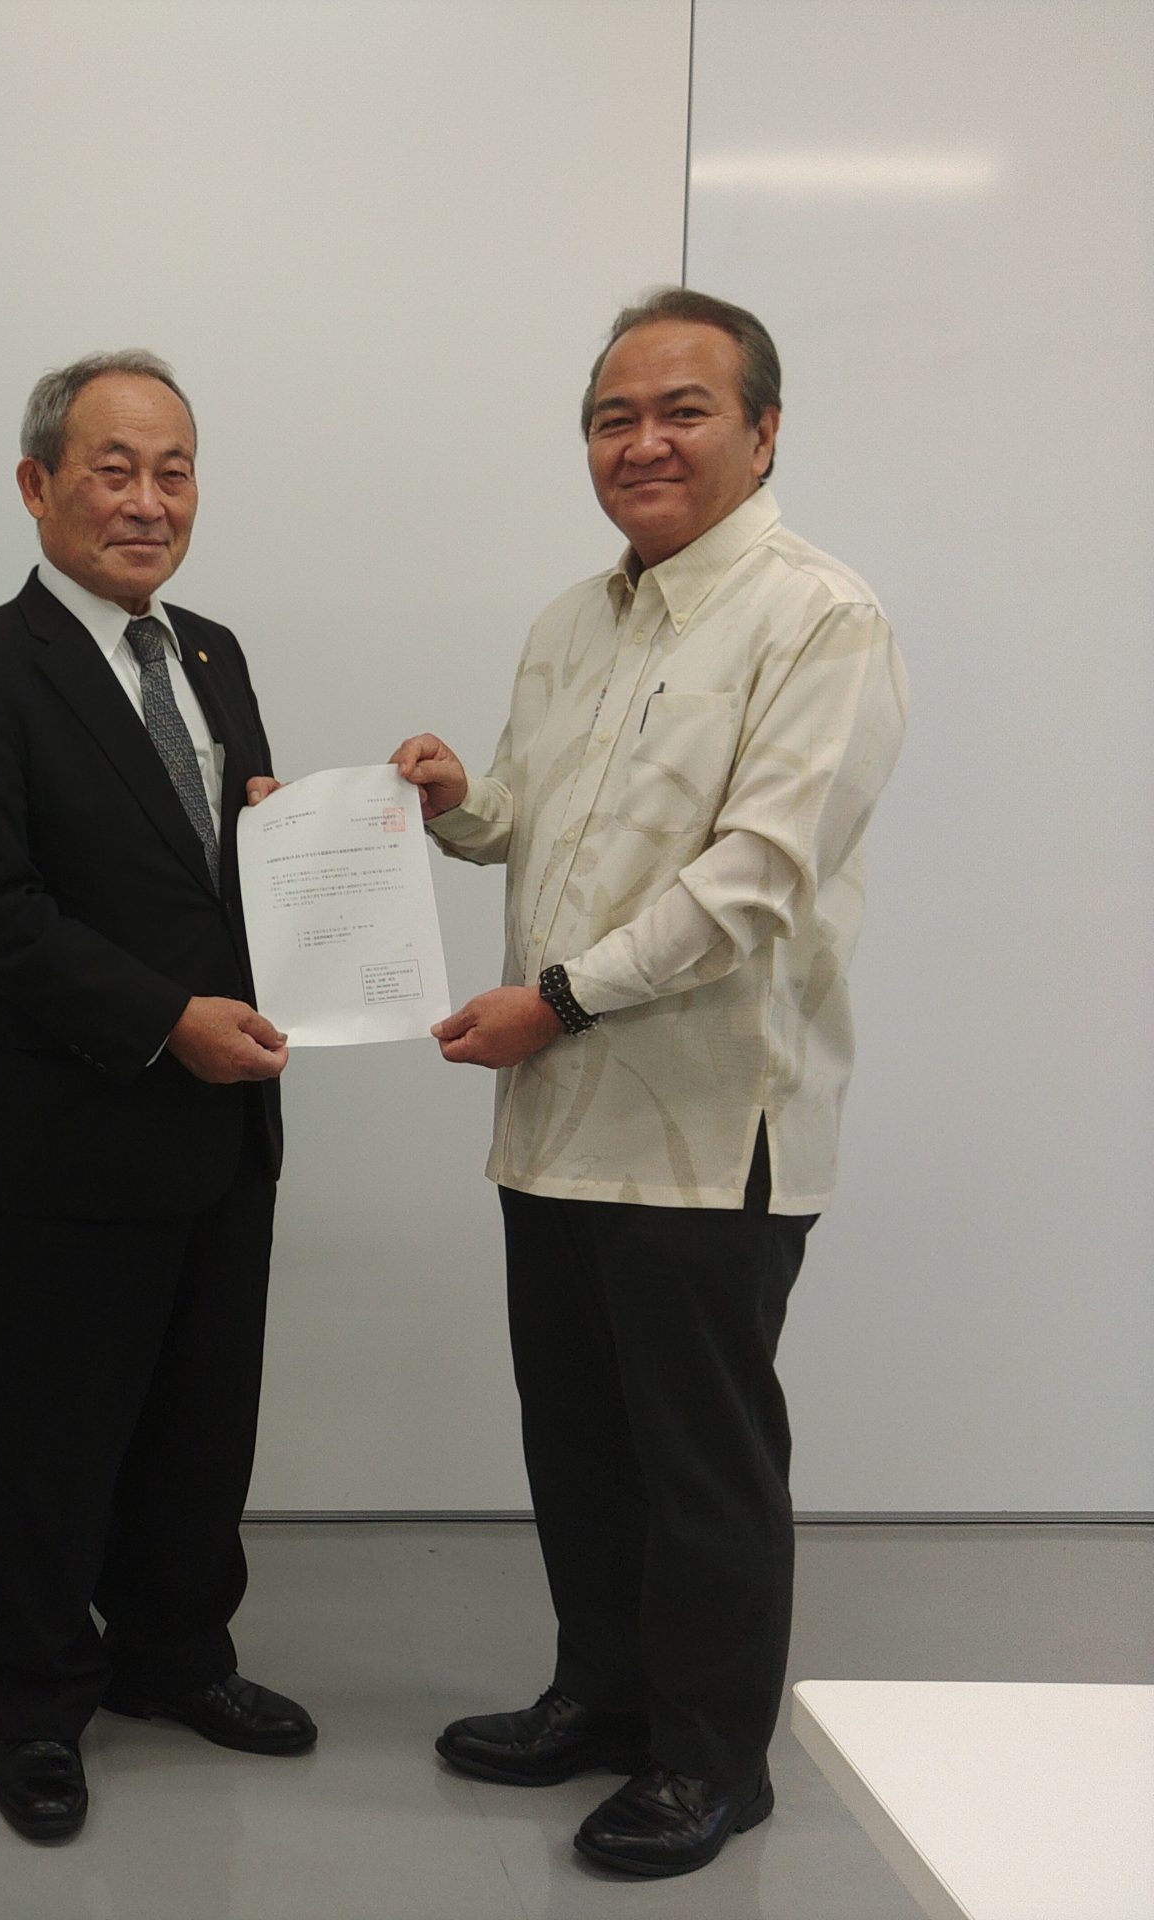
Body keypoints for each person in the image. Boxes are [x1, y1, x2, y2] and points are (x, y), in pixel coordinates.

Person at [404, 288, 907, 1878]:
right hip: (556, 1123)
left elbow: (754, 881)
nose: (644, 443)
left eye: (684, 410)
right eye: (614, 418)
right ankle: (604, 1697)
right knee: (578, 1440)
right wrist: (453, 803)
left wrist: (555, 1002)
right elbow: (532, 823)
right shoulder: (575, 620)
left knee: (702, 1464)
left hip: (706, 1127)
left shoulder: (820, 619)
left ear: (764, 431)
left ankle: (709, 1760)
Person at [0, 349, 311, 1845]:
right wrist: (162, 1023)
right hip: (72, 1126)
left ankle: (176, 1656)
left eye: (173, 472)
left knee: (204, 1423)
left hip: (225, 1121)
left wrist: (326, 845)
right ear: (38, 485)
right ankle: (33, 1699)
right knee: (58, 1440)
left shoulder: (212, 653)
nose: (148, 502)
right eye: (114, 469)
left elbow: (228, 865)